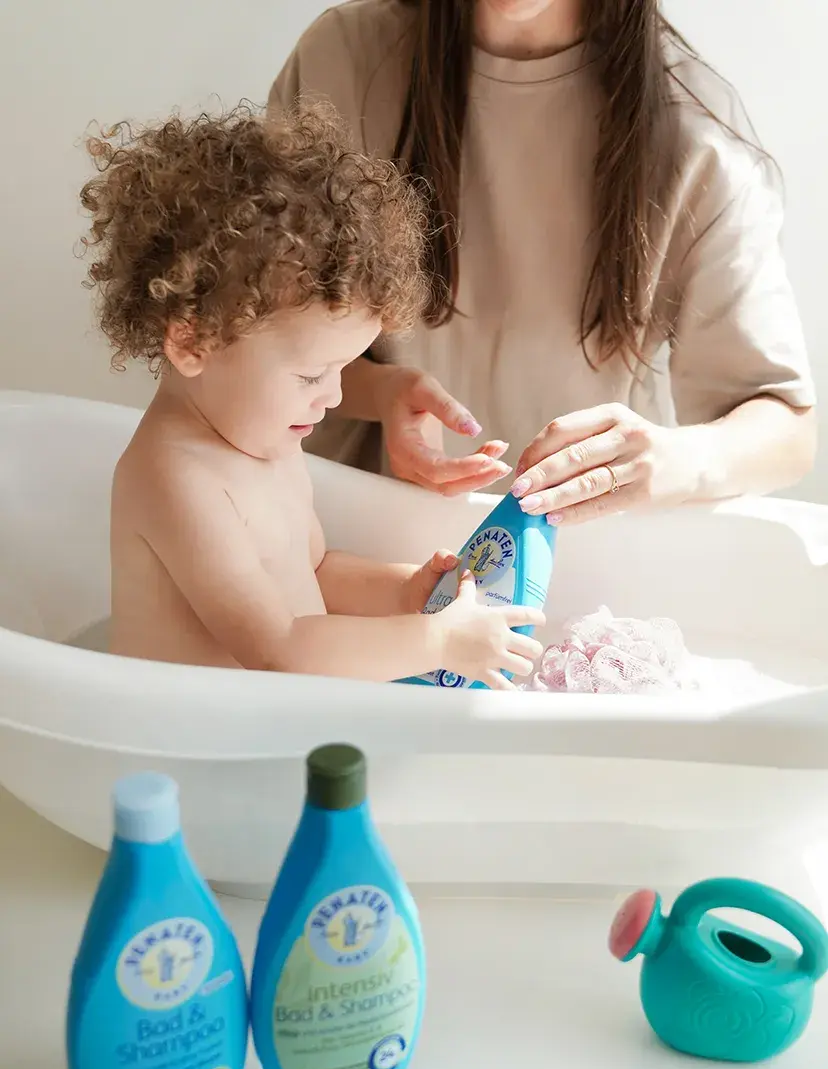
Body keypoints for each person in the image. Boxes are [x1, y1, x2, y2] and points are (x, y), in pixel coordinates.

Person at [269, 0, 816, 525]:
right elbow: (248, 340)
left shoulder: (697, 135)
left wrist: (669, 459)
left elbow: (786, 428)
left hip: (582, 564)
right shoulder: (340, 61)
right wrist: (380, 393)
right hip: (350, 541)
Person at [80, 104, 545, 687]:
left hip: (270, 722)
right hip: (184, 745)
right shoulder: (175, 477)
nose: (333, 397)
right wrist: (435, 641)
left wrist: (405, 593)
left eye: (343, 369)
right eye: (310, 376)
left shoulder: (263, 437)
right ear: (192, 339)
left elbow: (312, 573)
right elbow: (276, 646)